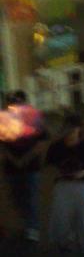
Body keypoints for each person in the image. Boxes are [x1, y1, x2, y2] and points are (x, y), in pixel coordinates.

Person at [46, 114, 84, 257]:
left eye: (74, 129)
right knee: (61, 215)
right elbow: (49, 166)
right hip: (63, 184)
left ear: (79, 129)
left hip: (82, 184)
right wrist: (60, 172)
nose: (71, 133)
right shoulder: (56, 147)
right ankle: (63, 241)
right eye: (68, 129)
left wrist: (82, 173)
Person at [3, 91, 45, 241]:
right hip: (12, 167)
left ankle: (32, 227)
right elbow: (2, 146)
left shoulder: (35, 119)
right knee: (17, 197)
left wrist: (24, 159)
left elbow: (41, 142)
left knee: (31, 197)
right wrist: (14, 160)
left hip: (30, 166)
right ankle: (27, 221)